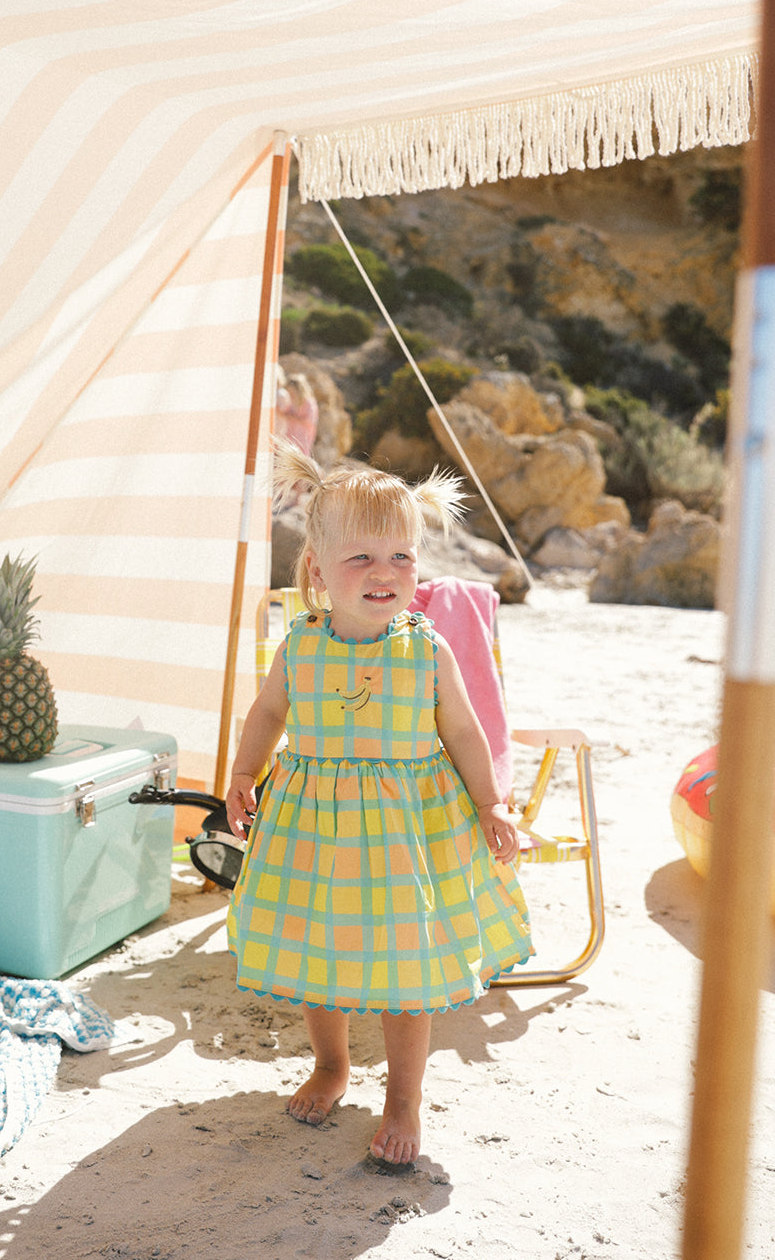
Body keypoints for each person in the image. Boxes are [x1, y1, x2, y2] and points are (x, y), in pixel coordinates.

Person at [225, 441, 532, 1168]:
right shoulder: (300, 647)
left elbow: (463, 728)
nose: (386, 572)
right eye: (361, 558)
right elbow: (269, 714)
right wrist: (244, 769)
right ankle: (332, 1063)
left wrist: (492, 801)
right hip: (316, 831)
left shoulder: (425, 648)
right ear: (318, 571)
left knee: (405, 969)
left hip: (405, 837)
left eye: (402, 556)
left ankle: (403, 1098)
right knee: (316, 952)